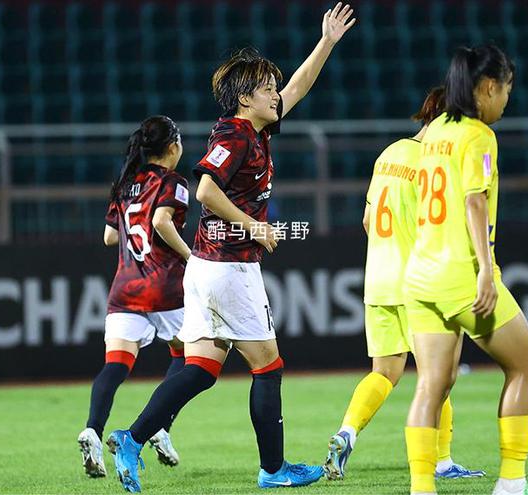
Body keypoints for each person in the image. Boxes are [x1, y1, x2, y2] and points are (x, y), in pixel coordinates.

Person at [106, 4, 356, 492]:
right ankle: (273, 470)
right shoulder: (236, 135)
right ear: (245, 99)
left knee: (200, 369)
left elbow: (297, 89)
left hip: (208, 266)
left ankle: (132, 439)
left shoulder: (254, 129)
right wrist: (255, 227)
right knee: (269, 366)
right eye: (266, 88)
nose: (276, 94)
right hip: (229, 267)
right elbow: (204, 190)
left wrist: (326, 42)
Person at [323, 88, 484, 482]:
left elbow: (367, 220)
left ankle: (347, 433)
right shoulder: (435, 162)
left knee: (384, 372)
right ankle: (441, 462)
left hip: (378, 278)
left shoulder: (389, 153)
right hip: (419, 281)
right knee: (437, 374)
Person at [403, 44, 528, 495]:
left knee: (431, 385)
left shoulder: (434, 131)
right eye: (506, 89)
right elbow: (474, 200)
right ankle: (512, 483)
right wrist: (486, 269)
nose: (506, 99)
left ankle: (422, 489)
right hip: (461, 276)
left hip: (420, 277)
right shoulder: (479, 136)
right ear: (487, 87)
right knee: (526, 366)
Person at [78, 115, 191, 478]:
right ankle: (160, 426)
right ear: (172, 147)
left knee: (115, 366)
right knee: (190, 357)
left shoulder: (126, 183)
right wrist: (191, 257)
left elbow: (110, 237)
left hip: (125, 288)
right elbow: (160, 222)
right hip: (164, 287)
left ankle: (92, 430)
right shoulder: (173, 182)